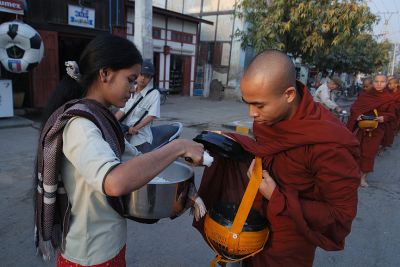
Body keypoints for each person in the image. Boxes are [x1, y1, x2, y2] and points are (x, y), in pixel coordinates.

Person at [34, 34, 204, 267]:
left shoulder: (102, 119)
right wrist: (178, 146)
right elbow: (114, 181)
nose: (134, 89)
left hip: (108, 246)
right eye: (131, 80)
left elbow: (140, 165)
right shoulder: (81, 126)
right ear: (105, 74)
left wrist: (187, 191)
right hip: (90, 254)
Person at [194, 50, 361, 267]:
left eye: (259, 105)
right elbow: (270, 150)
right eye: (248, 103)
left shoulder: (328, 144)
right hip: (251, 227)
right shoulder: (271, 120)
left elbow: (340, 216)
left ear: (289, 94)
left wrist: (276, 197)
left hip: (287, 246)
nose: (252, 113)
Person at [347, 74, 396, 187]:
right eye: (376, 81)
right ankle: (353, 175)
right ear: (373, 82)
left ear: (386, 83)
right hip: (362, 128)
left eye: (382, 82)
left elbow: (392, 114)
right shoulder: (365, 95)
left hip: (377, 129)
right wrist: (357, 115)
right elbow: (355, 107)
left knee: (369, 153)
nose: (379, 84)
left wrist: (383, 118)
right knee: (356, 151)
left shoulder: (389, 98)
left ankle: (363, 177)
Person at [114, 60, 160, 152]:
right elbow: (122, 111)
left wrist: (135, 128)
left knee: (145, 162)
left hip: (141, 137)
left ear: (151, 79)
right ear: (137, 75)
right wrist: (111, 120)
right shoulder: (130, 89)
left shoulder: (154, 94)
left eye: (147, 76)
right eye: (141, 74)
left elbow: (151, 116)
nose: (143, 78)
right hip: (124, 134)